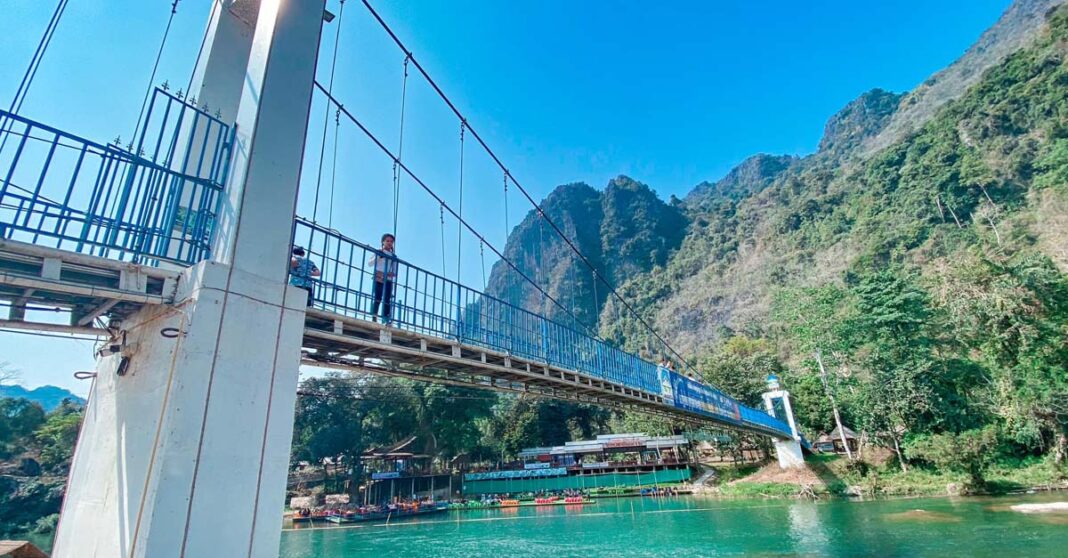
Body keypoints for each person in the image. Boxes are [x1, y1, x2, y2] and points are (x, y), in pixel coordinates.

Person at [368, 233, 397, 323]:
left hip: (387, 279)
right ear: (383, 242)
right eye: (387, 241)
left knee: (387, 299)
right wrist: (378, 256)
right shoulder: (378, 251)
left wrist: (387, 274)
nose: (389, 243)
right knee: (377, 297)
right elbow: (370, 264)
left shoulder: (393, 256)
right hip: (378, 277)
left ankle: (386, 318)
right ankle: (374, 316)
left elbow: (394, 272)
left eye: (391, 241)